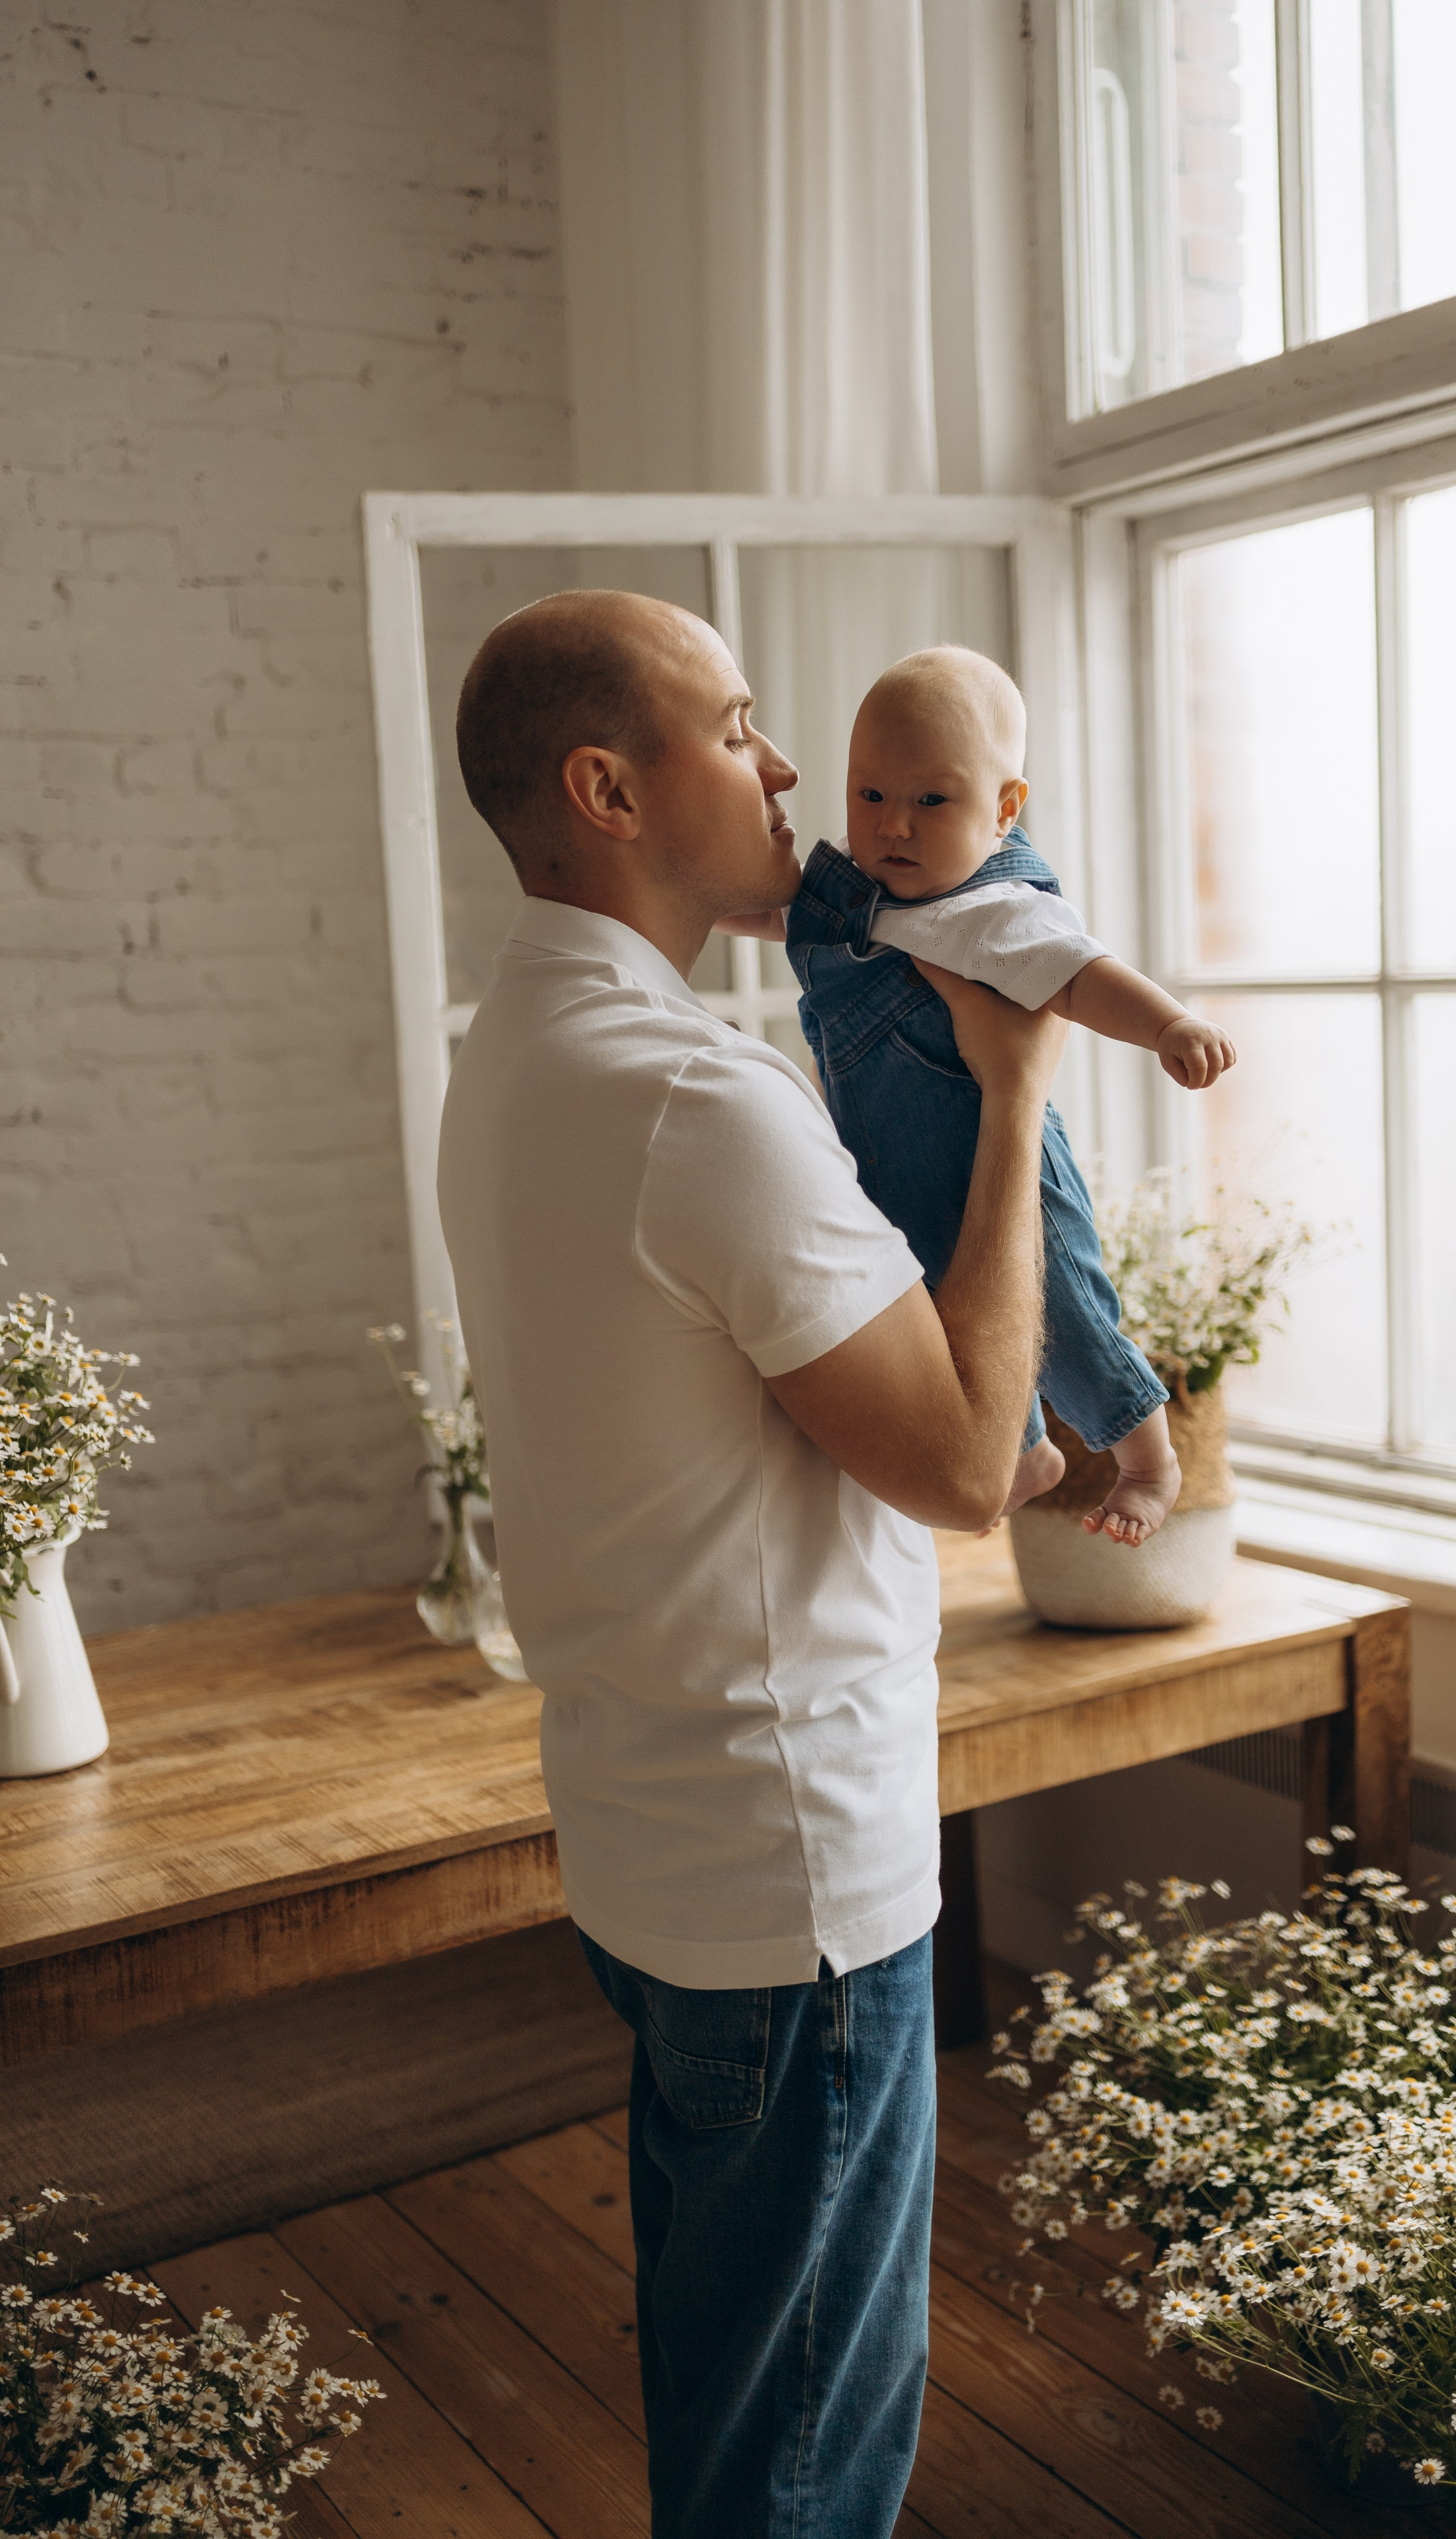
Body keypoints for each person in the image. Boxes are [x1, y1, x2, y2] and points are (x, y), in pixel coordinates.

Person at [436, 590, 1067, 2539]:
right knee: (800, 2455)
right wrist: (1020, 1073)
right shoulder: (698, 1098)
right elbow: (969, 1467)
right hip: (789, 1872)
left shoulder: (519, 1050)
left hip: (651, 1829)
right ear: (610, 788)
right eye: (737, 722)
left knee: (733, 2382)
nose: (792, 766)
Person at [721, 644, 1236, 1546]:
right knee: (946, 1332)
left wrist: (1168, 1027)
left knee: (1063, 1311)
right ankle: (1025, 1452)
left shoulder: (998, 910)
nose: (895, 828)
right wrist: (695, 902)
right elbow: (775, 915)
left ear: (1003, 809)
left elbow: (1082, 976)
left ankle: (1150, 1461)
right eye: (870, 795)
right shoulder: (850, 897)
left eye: (932, 801)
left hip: (1003, 1172)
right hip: (884, 1178)